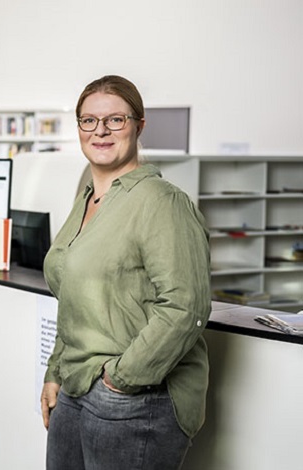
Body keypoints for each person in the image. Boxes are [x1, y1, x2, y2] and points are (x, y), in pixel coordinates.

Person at [39, 75, 211, 469]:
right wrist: (55, 372)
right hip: (76, 383)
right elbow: (73, 299)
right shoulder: (88, 200)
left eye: (115, 120)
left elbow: (186, 306)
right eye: (89, 120)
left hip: (136, 397)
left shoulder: (161, 201)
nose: (100, 130)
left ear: (138, 125)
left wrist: (121, 380)